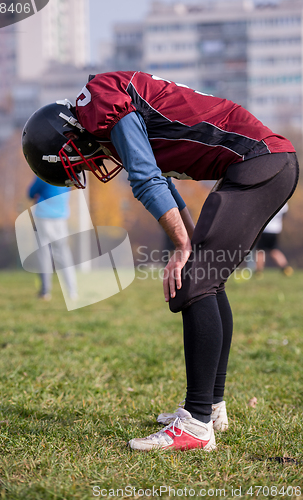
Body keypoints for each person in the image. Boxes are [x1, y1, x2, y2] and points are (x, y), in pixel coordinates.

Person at [22, 71, 299, 452]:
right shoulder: (111, 111)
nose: (90, 166)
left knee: (194, 280)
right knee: (204, 278)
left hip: (261, 162)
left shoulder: (102, 102)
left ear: (68, 137)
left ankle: (197, 425)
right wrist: (188, 241)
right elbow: (163, 180)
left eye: (79, 162)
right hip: (263, 163)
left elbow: (146, 178)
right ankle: (211, 407)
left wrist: (184, 249)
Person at [28, 175, 78, 301]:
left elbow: (30, 193)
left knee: (43, 254)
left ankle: (45, 292)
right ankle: (72, 292)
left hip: (43, 217)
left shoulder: (43, 174)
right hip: (61, 218)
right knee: (64, 255)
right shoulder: (68, 175)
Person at [255, 203, 293, 276]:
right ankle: (286, 268)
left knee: (260, 251)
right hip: (276, 229)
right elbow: (284, 214)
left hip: (266, 229)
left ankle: (258, 272)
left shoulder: (269, 199)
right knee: (274, 250)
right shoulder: (284, 202)